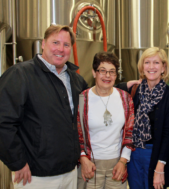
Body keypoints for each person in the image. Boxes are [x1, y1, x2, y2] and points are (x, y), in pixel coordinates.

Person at [0, 24, 88, 189]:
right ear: (43, 43)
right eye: (55, 43)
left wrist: (126, 87)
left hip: (70, 172)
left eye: (66, 45)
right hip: (35, 176)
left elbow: (93, 103)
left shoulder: (75, 80)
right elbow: (3, 123)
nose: (60, 49)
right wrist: (17, 162)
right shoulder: (20, 75)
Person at [117, 47, 169, 189]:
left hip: (155, 153)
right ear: (142, 66)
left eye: (156, 63)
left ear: (163, 67)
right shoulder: (135, 90)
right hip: (133, 153)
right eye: (147, 62)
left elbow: (167, 133)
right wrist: (127, 84)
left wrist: (160, 167)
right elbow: (109, 88)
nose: (151, 67)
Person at [77, 52, 135, 189]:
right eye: (102, 71)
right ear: (94, 72)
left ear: (116, 75)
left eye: (112, 72)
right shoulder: (82, 99)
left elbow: (130, 132)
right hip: (89, 165)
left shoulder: (125, 99)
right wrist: (83, 158)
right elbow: (76, 133)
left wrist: (123, 161)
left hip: (116, 165)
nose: (107, 76)